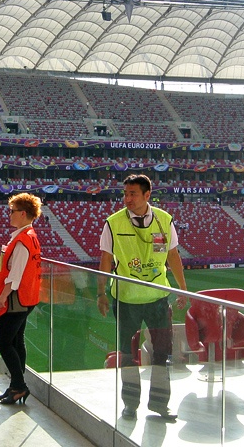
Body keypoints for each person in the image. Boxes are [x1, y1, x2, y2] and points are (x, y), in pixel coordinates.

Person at [96, 174, 187, 421]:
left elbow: (173, 255)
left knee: (162, 354)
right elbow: (105, 259)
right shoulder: (113, 223)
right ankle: (130, 404)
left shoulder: (164, 220)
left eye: (132, 194)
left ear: (147, 195)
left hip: (158, 299)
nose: (127, 199)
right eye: (125, 194)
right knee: (126, 354)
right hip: (125, 300)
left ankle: (159, 404)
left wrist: (181, 288)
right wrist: (101, 292)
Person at [0, 192, 42, 405]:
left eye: (12, 211)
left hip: (16, 299)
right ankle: (16, 385)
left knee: (2, 341)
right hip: (28, 298)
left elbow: (15, 275)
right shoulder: (29, 236)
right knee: (16, 340)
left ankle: (19, 386)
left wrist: (2, 296)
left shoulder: (22, 240)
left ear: (23, 214)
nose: (9, 215)